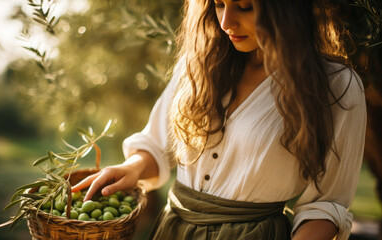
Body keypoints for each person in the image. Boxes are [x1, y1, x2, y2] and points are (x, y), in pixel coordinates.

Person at [72, 0, 367, 239]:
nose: (226, 22)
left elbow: (327, 204)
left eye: (244, 6)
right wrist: (133, 167)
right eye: (218, 4)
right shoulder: (200, 62)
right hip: (173, 230)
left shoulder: (336, 87)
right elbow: (158, 144)